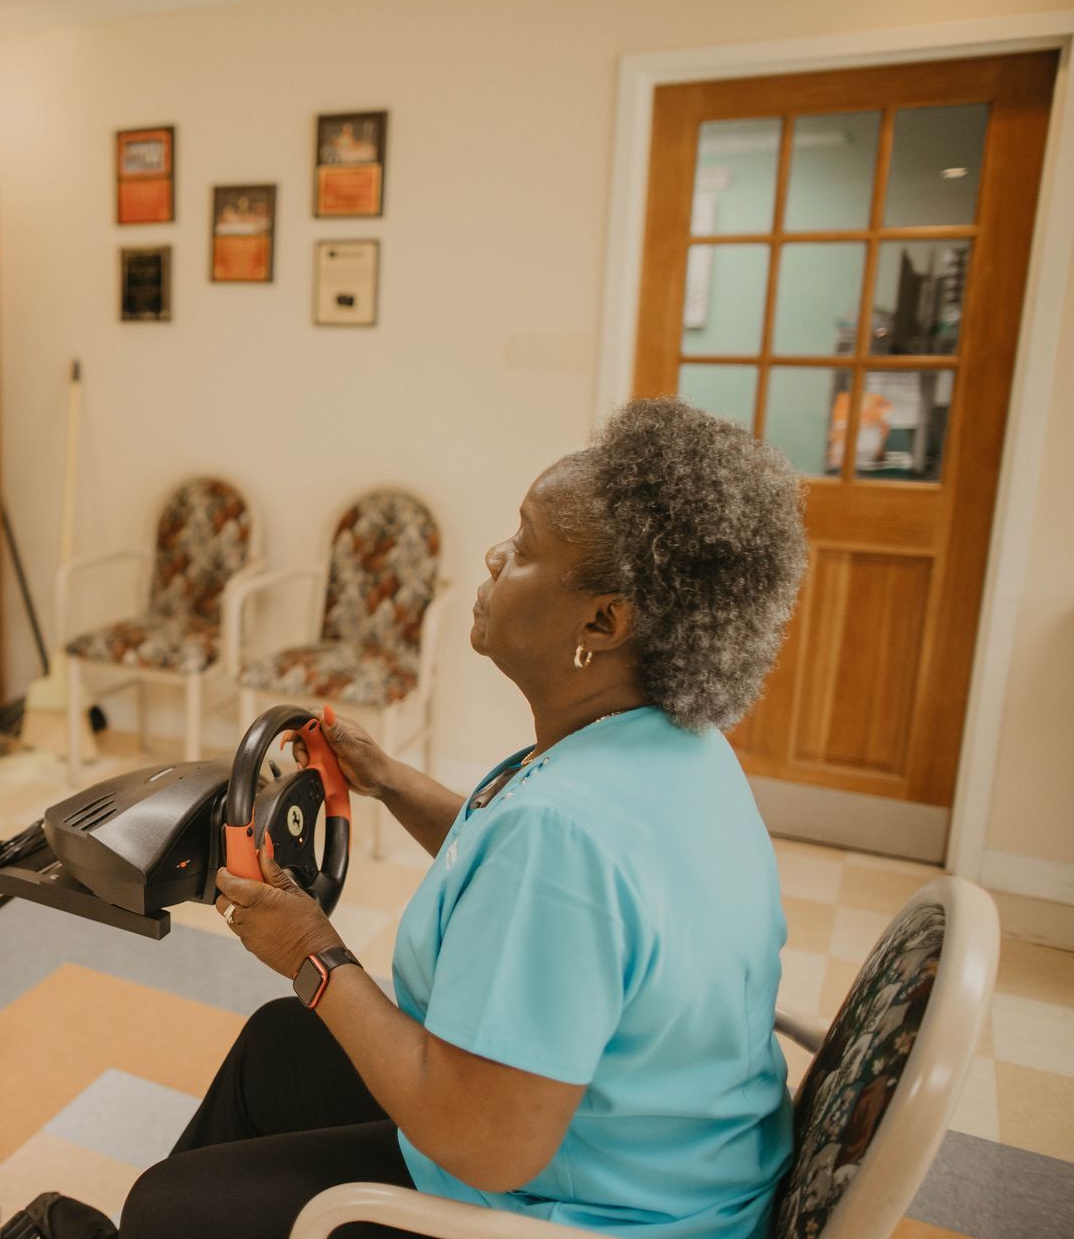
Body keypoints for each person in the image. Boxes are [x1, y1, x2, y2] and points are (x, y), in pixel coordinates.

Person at [120, 398, 810, 1239]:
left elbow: (488, 1147)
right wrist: (391, 782)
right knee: (278, 1047)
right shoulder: (675, 749)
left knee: (161, 1212)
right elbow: (548, 900)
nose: (493, 555)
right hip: (678, 1163)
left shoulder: (564, 836)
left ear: (603, 620)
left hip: (589, 1213)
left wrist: (312, 954)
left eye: (522, 547)